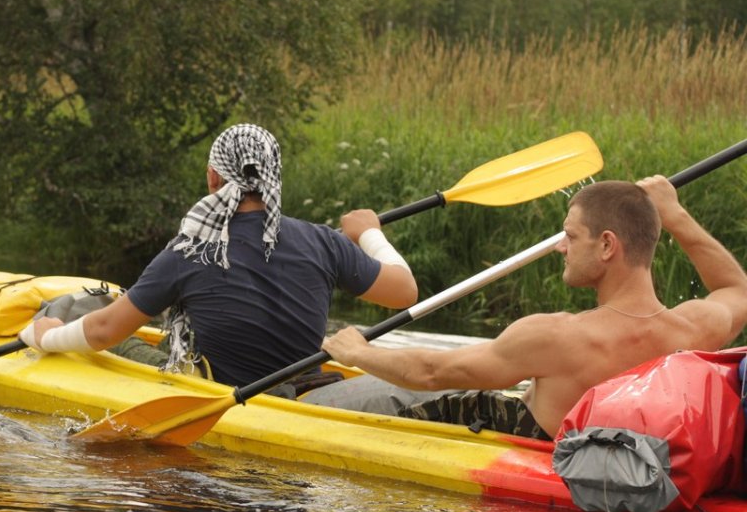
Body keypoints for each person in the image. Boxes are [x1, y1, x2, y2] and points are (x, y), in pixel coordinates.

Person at [309, 174, 747, 439]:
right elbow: (737, 290)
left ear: (608, 245)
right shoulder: (693, 328)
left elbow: (432, 373)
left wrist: (358, 352)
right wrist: (676, 214)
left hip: (517, 447)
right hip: (624, 460)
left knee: (379, 393)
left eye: (571, 236)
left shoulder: (556, 336)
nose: (561, 247)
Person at [18, 123, 419, 388]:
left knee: (102, 325)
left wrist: (48, 338)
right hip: (301, 387)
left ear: (213, 177)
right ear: (273, 177)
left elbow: (104, 332)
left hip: (227, 392)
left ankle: (51, 321)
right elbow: (405, 292)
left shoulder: (189, 249)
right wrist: (369, 234)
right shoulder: (323, 241)